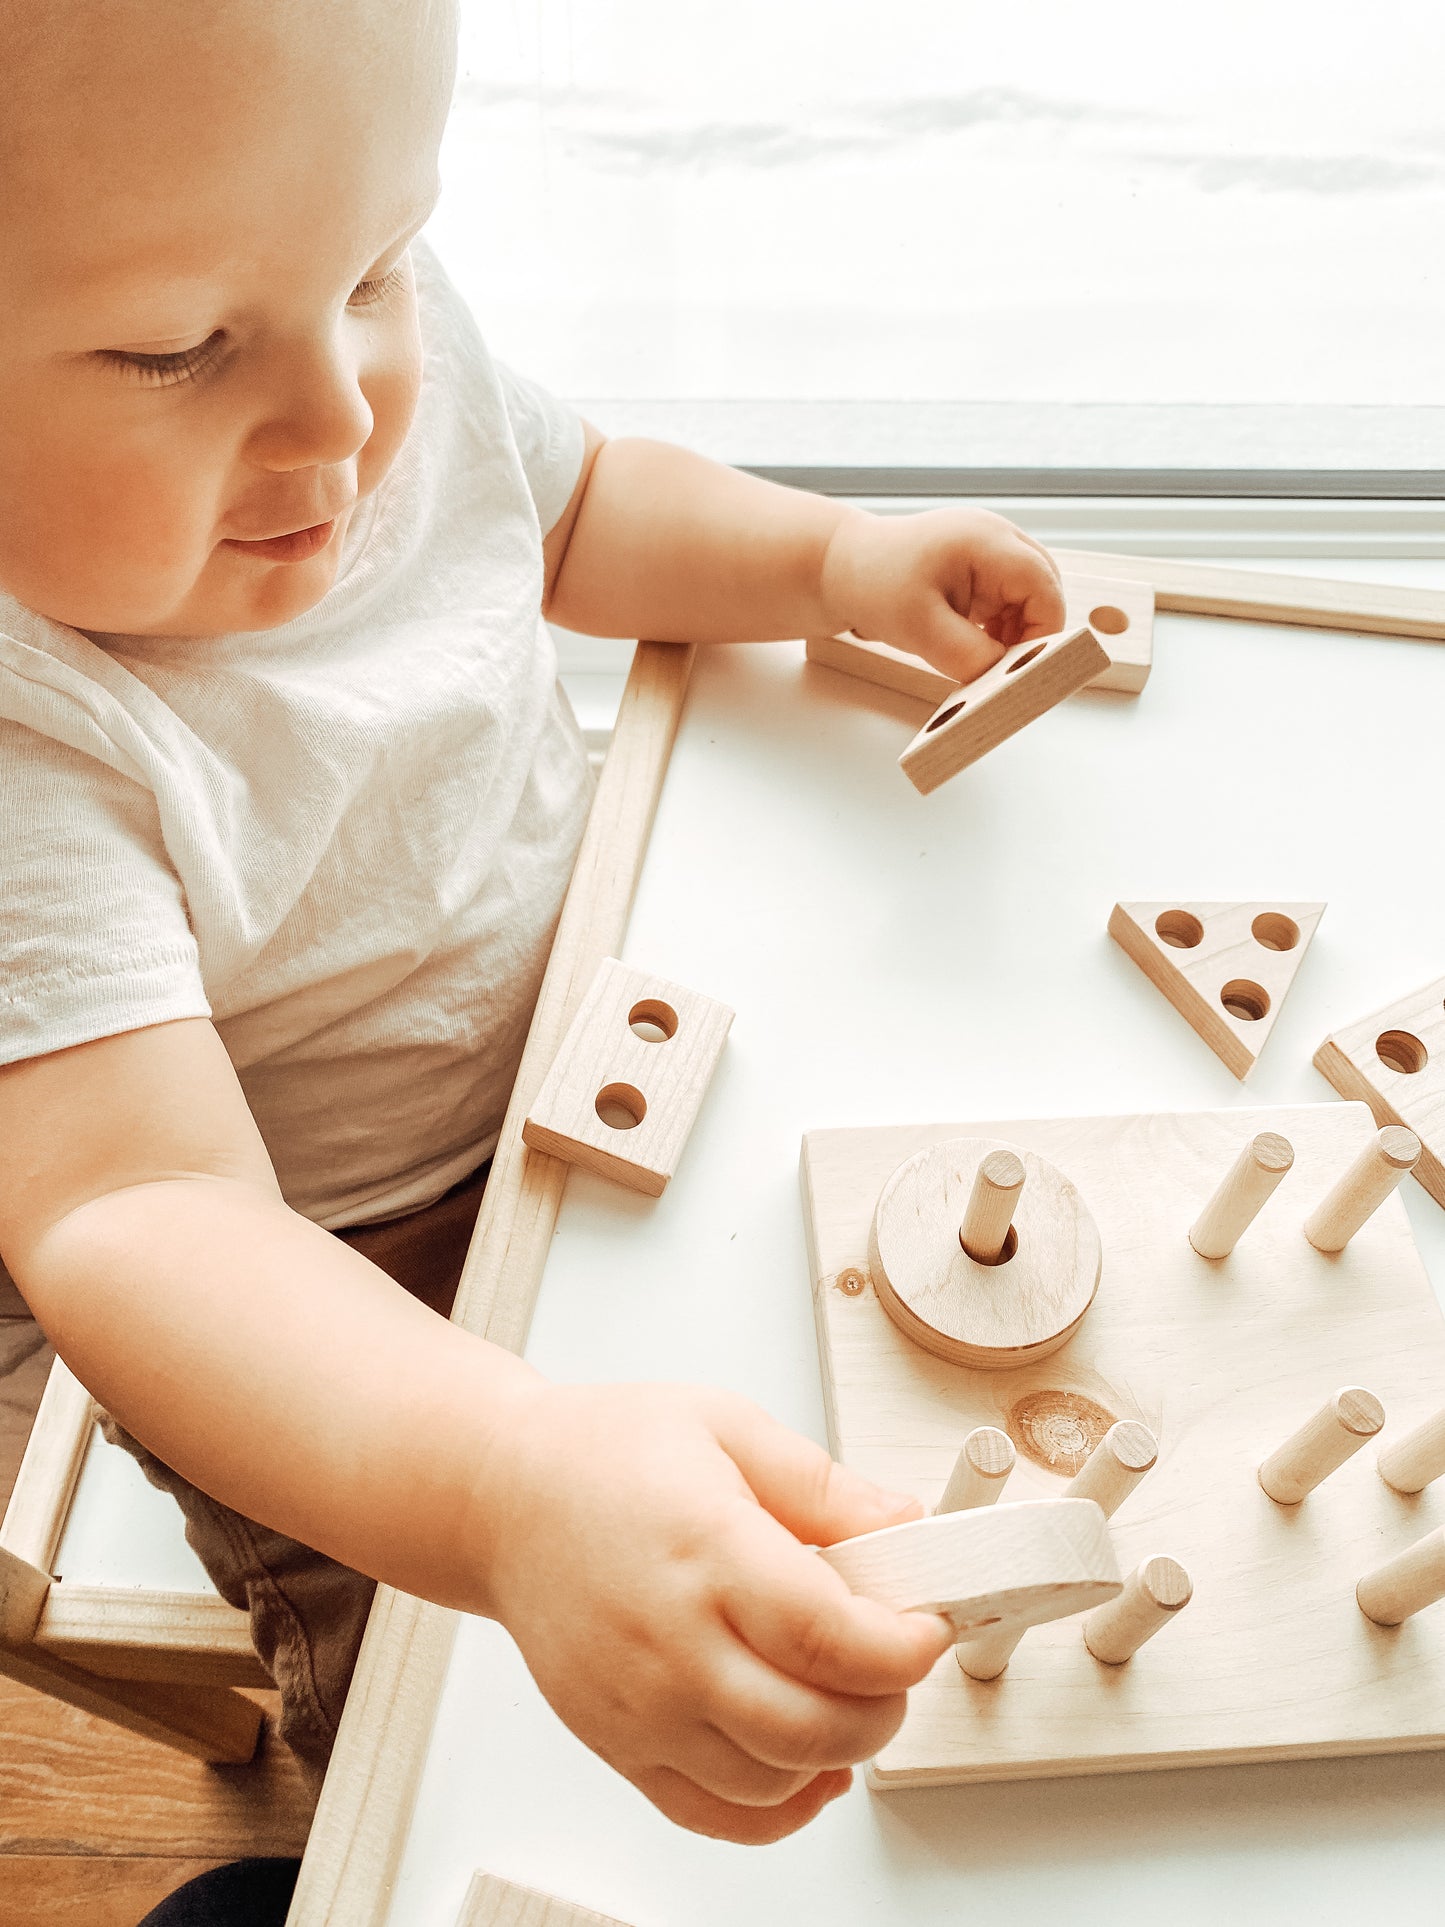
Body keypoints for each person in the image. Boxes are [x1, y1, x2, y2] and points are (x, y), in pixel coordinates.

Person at [0, 0, 1064, 1844]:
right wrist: (499, 1485)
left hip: (602, 1035)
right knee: (465, 1771)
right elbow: (136, 1213)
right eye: (180, 349)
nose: (347, 411)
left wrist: (823, 562)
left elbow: (566, 509)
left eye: (380, 264)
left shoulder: (321, 355)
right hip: (343, 1300)